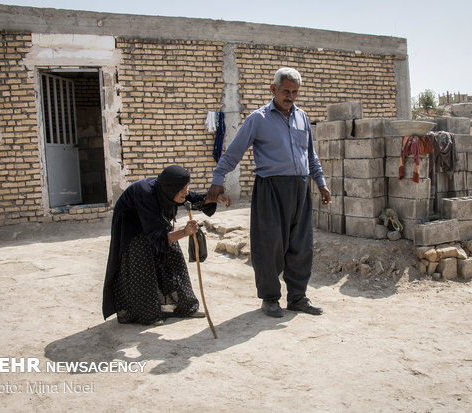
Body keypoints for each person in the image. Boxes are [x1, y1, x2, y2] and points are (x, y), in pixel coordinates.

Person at [206, 67, 331, 318]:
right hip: (270, 188)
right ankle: (270, 298)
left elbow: (310, 155)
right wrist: (218, 180)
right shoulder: (258, 119)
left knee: (301, 245)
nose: (291, 96)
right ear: (273, 89)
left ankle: (298, 298)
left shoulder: (302, 118)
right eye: (286, 91)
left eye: (295, 92)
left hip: (300, 188)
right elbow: (234, 151)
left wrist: (320, 181)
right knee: (269, 245)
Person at [102, 165, 229, 325]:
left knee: (173, 257)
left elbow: (195, 199)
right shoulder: (146, 194)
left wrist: (216, 197)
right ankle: (148, 314)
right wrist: (184, 232)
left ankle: (186, 306)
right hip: (132, 227)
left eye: (187, 187)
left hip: (154, 222)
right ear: (171, 189)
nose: (186, 192)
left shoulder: (169, 190)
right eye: (183, 189)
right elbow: (157, 238)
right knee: (143, 264)